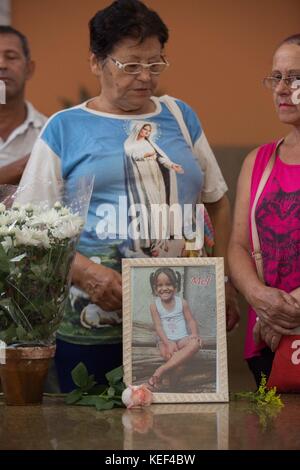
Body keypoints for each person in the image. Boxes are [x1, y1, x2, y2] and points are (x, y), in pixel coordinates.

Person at [18, 0, 239, 392]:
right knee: (89, 436)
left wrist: (222, 282)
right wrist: (87, 274)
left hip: (180, 321)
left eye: (156, 64)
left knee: (183, 431)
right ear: (95, 62)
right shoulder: (64, 128)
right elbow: (28, 228)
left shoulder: (180, 117)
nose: (146, 77)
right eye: (131, 65)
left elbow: (217, 202)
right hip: (91, 323)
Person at [228, 34, 300, 387]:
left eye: (295, 78)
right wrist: (259, 298)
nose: (282, 88)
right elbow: (238, 246)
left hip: (276, 327)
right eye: (276, 77)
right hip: (266, 341)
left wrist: (282, 314)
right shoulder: (258, 161)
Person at [124, 121, 184, 253]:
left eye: (149, 131)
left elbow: (160, 158)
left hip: (156, 174)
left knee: (161, 206)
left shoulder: (149, 143)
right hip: (144, 178)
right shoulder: (130, 144)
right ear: (139, 130)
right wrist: (146, 155)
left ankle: (162, 241)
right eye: (145, 130)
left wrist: (172, 165)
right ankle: (153, 243)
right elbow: (133, 156)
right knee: (151, 207)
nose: (147, 133)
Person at [0, 26, 47, 184]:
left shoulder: (48, 134)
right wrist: (21, 168)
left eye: (11, 57)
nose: (2, 65)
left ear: (29, 69)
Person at [148, 267, 202, 389]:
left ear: (175, 286)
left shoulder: (182, 302)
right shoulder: (154, 306)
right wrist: (167, 343)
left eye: (168, 284)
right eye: (159, 285)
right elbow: (158, 326)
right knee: (180, 365)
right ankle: (172, 388)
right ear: (155, 289)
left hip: (182, 339)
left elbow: (190, 320)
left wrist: (194, 334)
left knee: (196, 343)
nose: (164, 288)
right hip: (165, 341)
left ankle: (161, 369)